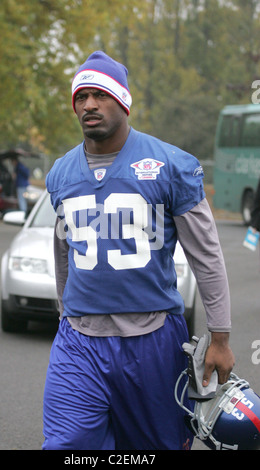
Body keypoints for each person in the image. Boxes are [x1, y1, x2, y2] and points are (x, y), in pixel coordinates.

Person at [42, 51, 235, 450]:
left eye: (100, 95)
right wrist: (65, 313)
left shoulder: (169, 164)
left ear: (123, 102)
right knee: (68, 445)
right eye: (81, 97)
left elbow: (206, 256)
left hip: (151, 339)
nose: (89, 105)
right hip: (79, 340)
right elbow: (63, 248)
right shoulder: (61, 172)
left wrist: (220, 338)